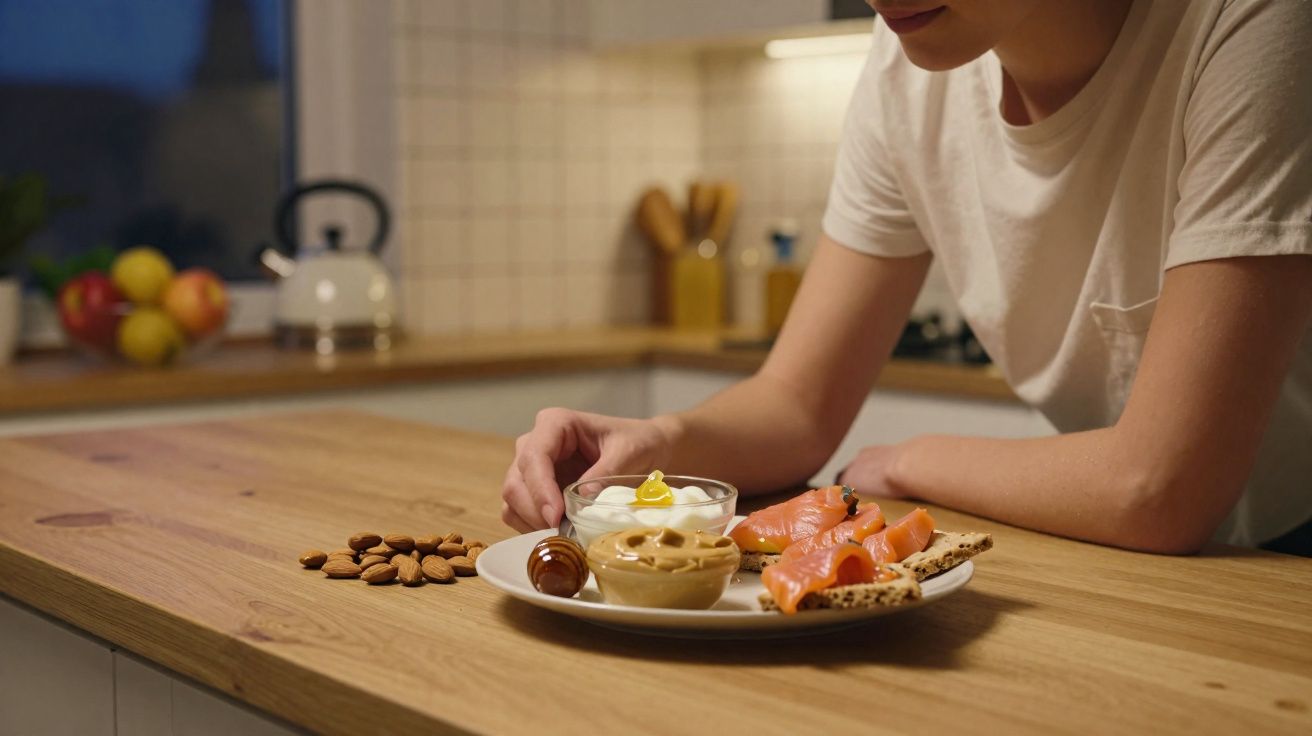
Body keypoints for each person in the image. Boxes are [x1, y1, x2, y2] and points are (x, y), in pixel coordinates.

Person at [502, 0, 1312, 555]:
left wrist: (908, 460)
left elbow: (1158, 483)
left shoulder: (1252, 23)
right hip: (1156, 565)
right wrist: (661, 445)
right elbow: (796, 403)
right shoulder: (907, 72)